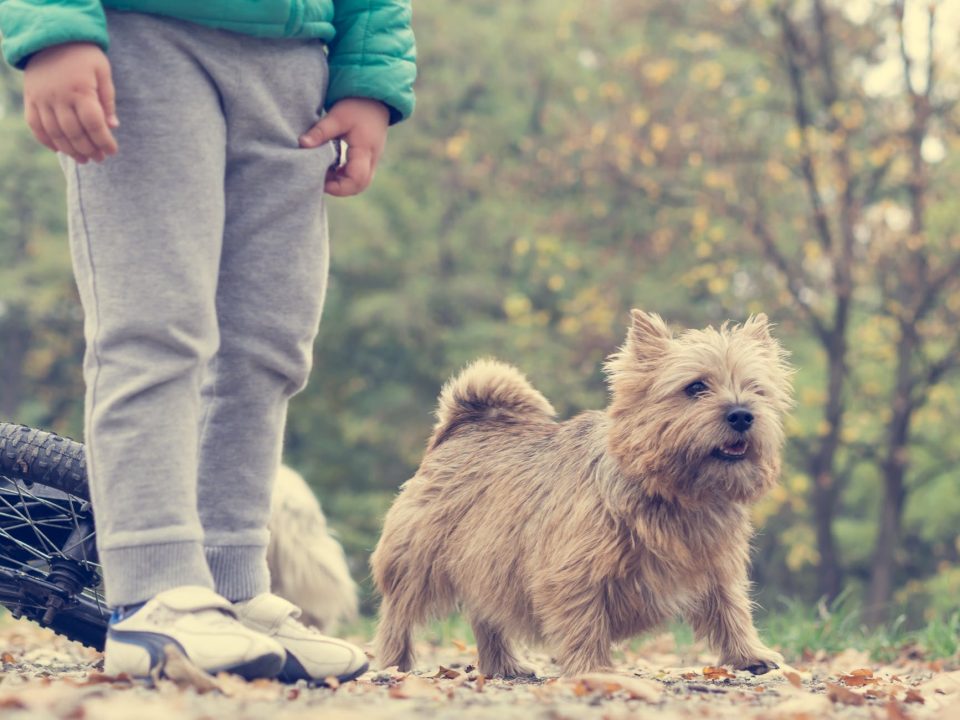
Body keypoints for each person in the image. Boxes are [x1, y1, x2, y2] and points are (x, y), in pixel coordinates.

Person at [0, 0, 415, 683]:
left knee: (269, 345)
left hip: (296, 64)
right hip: (145, 36)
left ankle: (229, 589)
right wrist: (54, 29)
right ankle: (154, 593)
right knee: (155, 326)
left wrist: (369, 77)